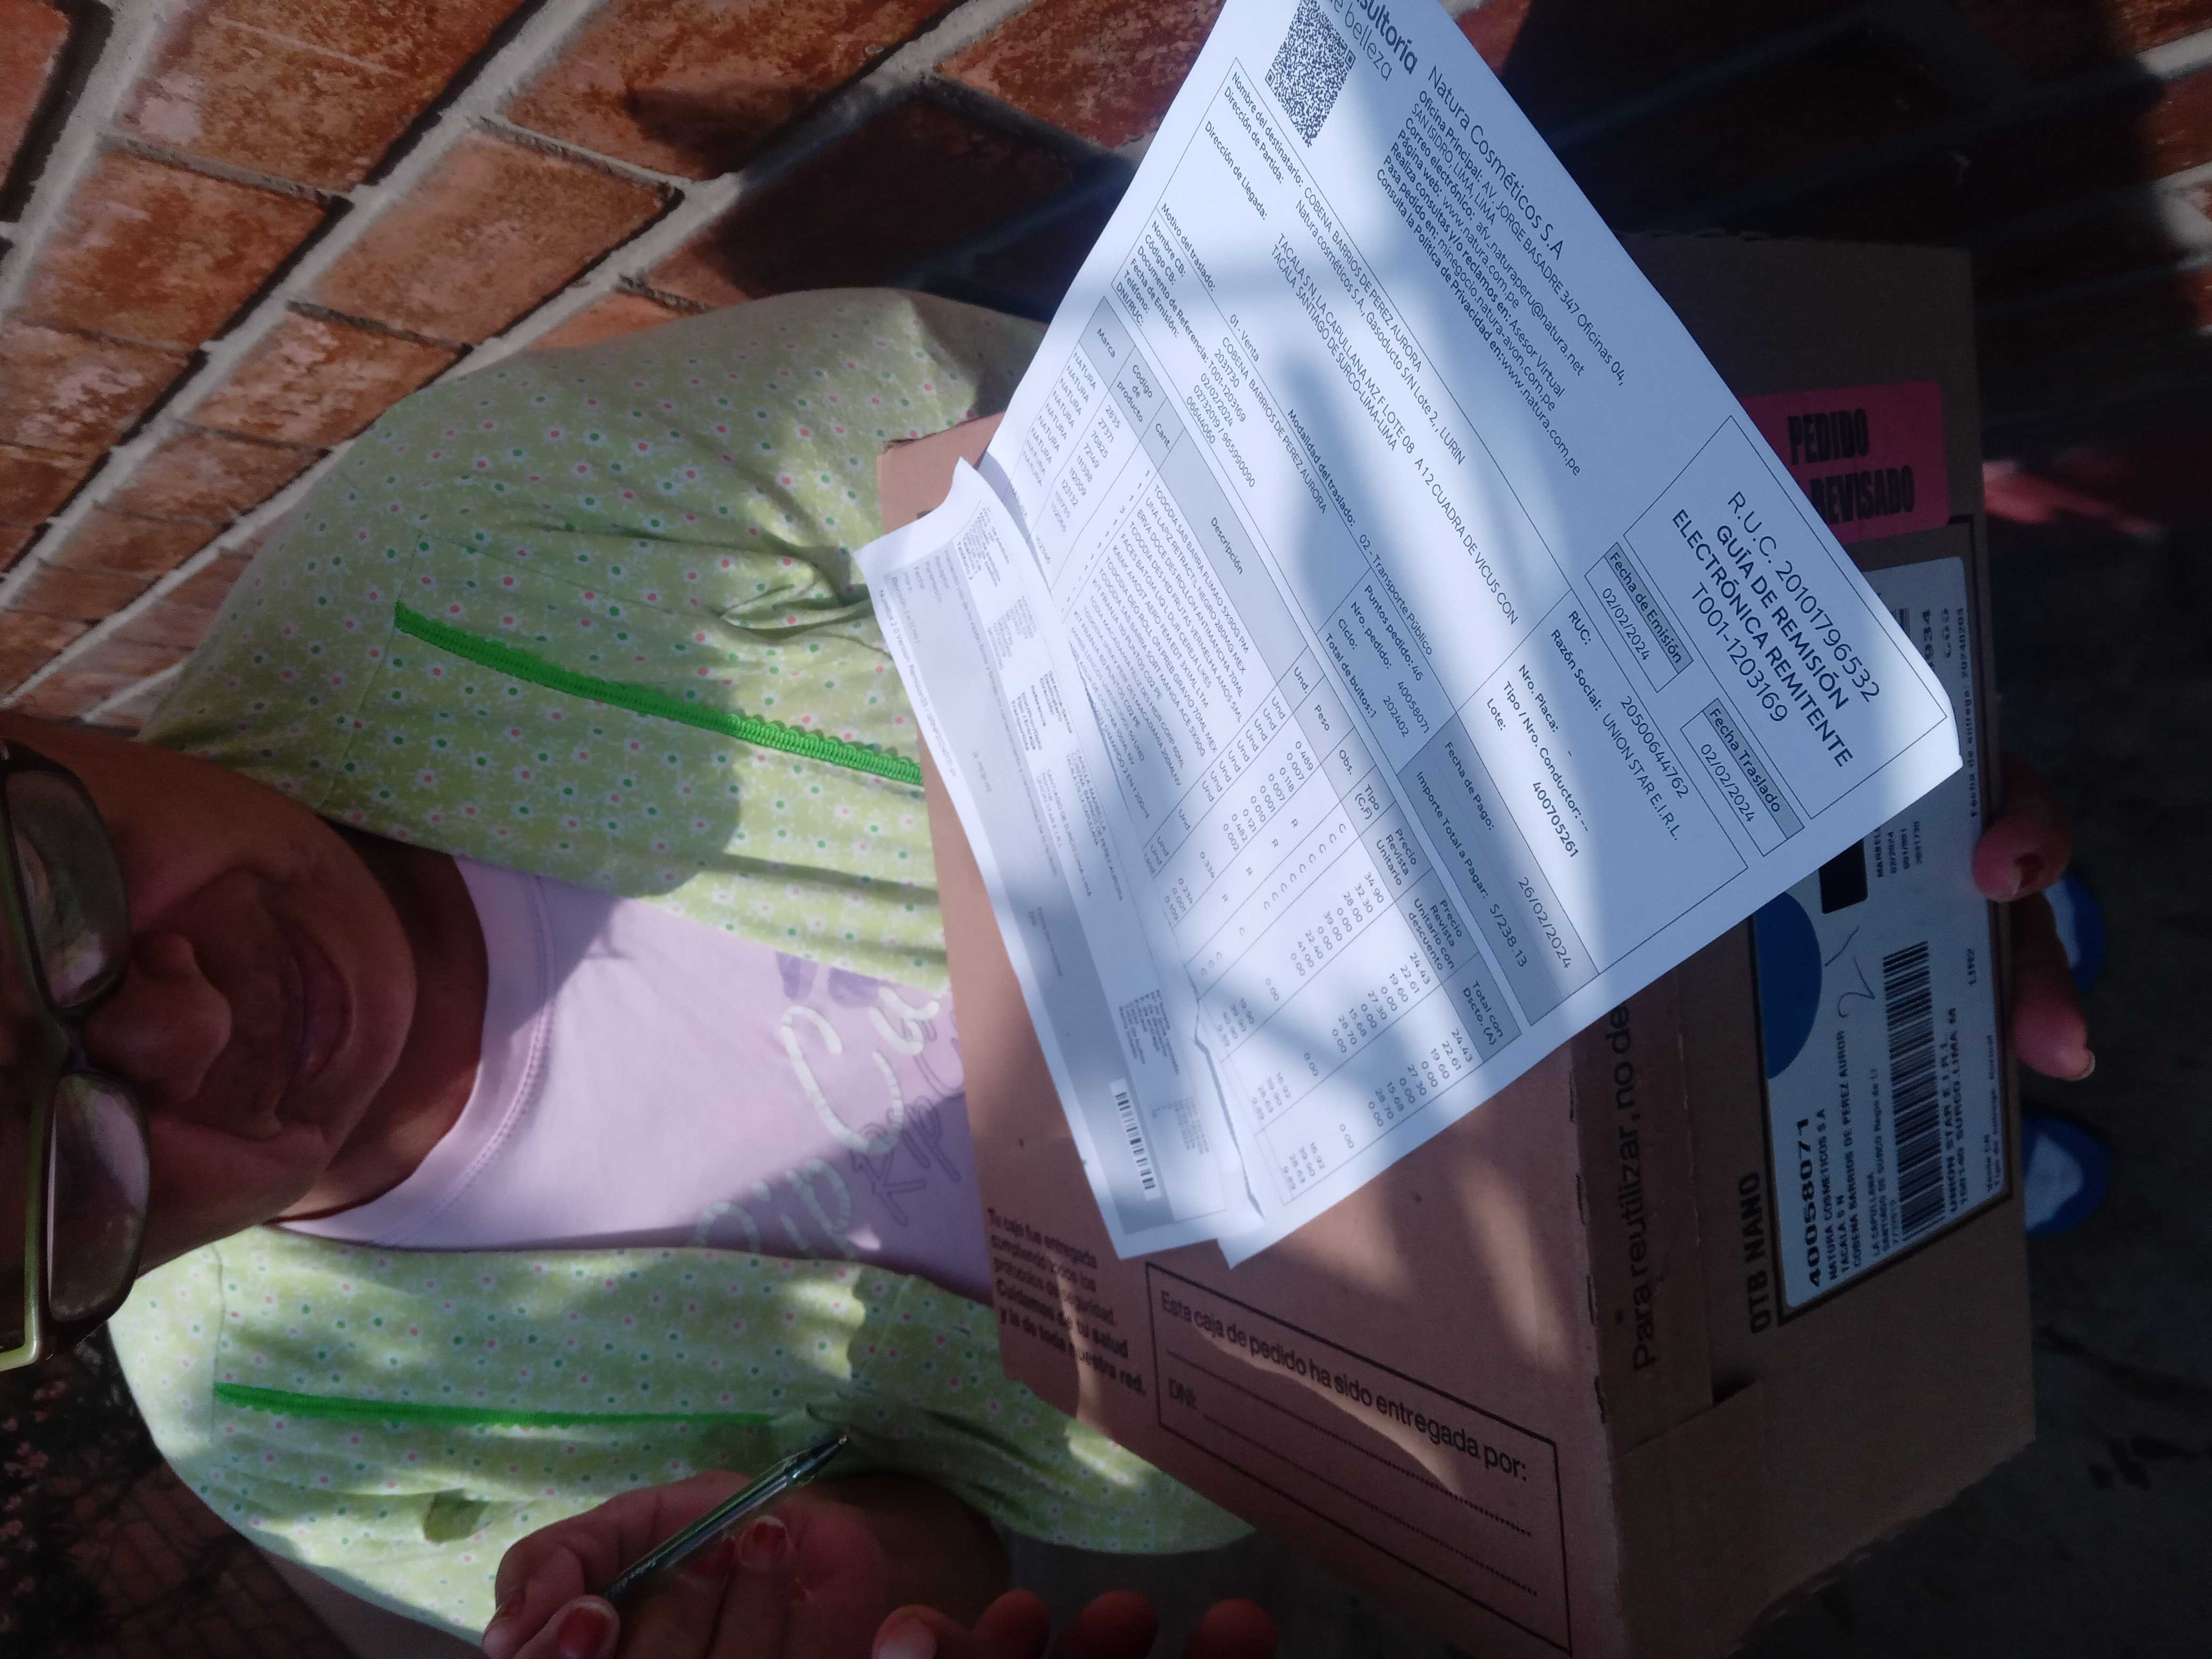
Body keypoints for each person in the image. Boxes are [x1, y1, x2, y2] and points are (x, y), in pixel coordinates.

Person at [0, 291, 2092, 1659]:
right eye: (52, 1176)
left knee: (1990, 982)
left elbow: (1289, 469)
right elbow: (928, 1540)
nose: (194, 1029)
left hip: (1667, 880)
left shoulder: (473, 541)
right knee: (1918, 1218)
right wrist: (835, 1581)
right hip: (1598, 1370)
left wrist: (1748, 652)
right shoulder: (282, 1421)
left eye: (44, 898)